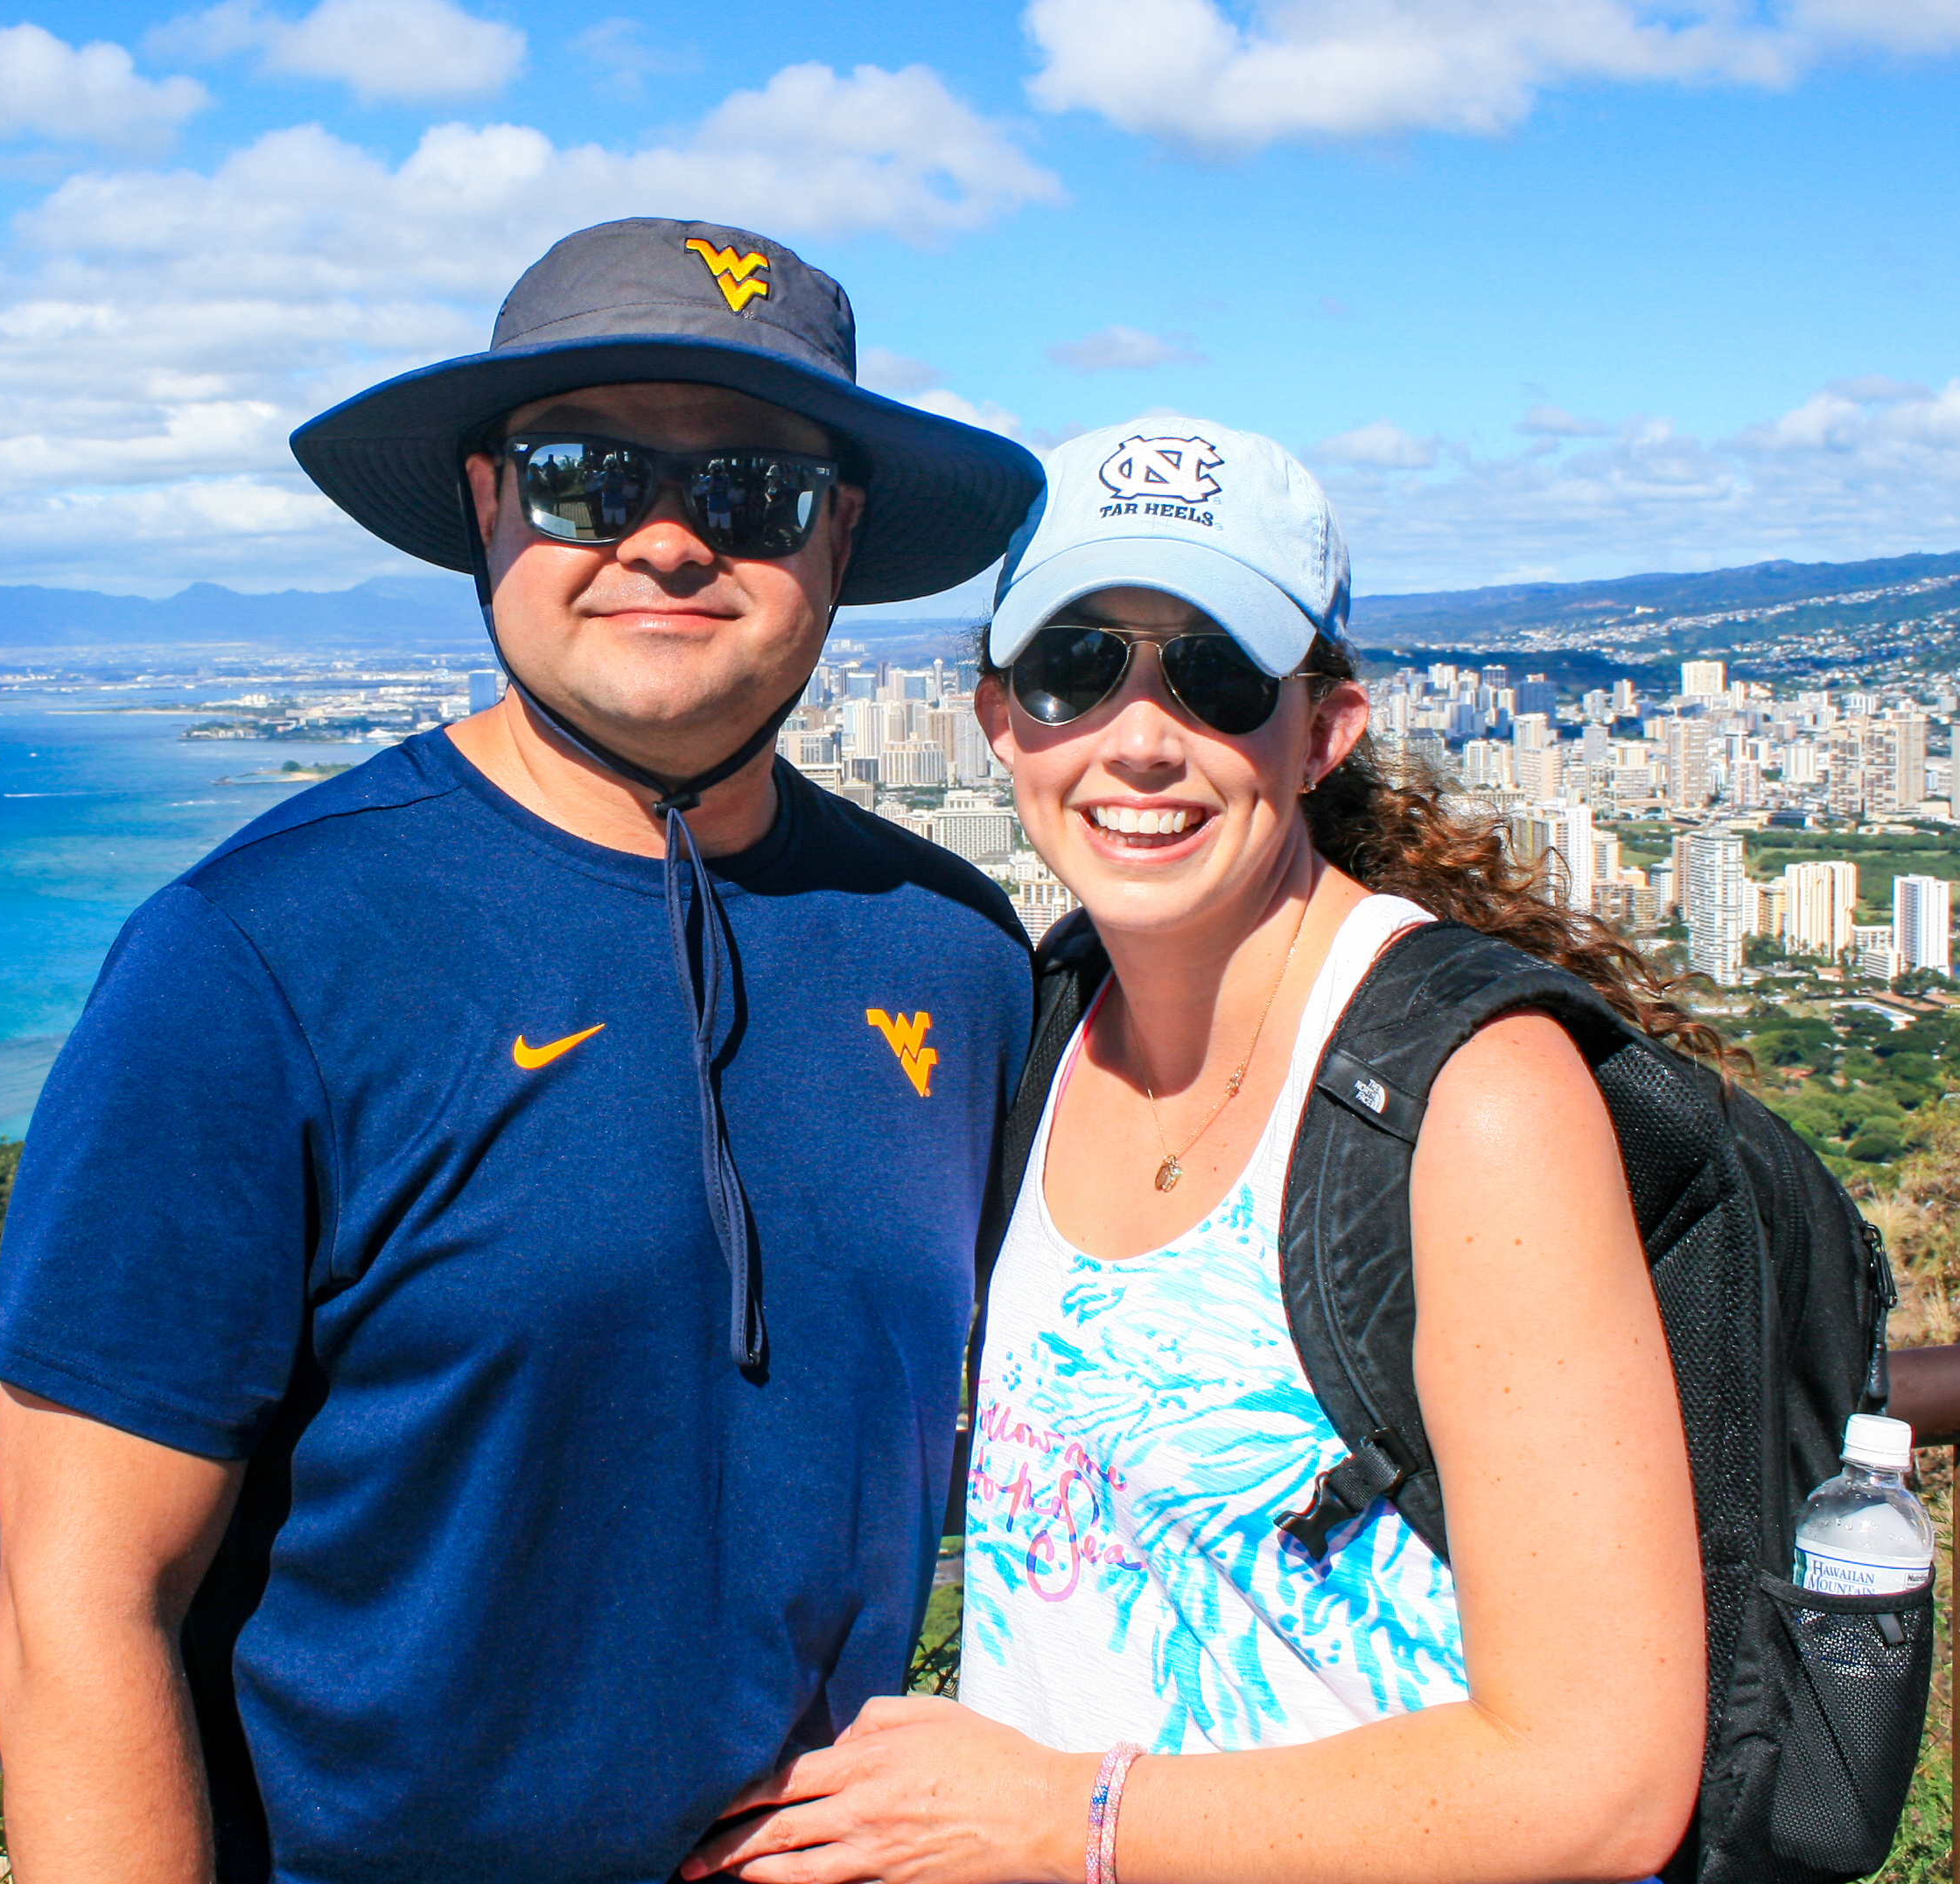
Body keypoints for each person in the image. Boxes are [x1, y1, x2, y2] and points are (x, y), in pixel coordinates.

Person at [0, 218, 1044, 1884]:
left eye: (752, 493)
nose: (670, 542)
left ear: (837, 536)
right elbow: (77, 1602)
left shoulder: (954, 952)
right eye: (586, 481)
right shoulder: (256, 955)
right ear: (486, 505)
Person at [682, 421, 1712, 1884]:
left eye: (1216, 676)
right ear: (998, 718)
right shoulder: (1033, 1034)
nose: (1140, 735)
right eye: (1075, 667)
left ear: (1323, 732)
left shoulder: (1470, 1097)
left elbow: (1600, 1780)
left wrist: (1058, 1821)